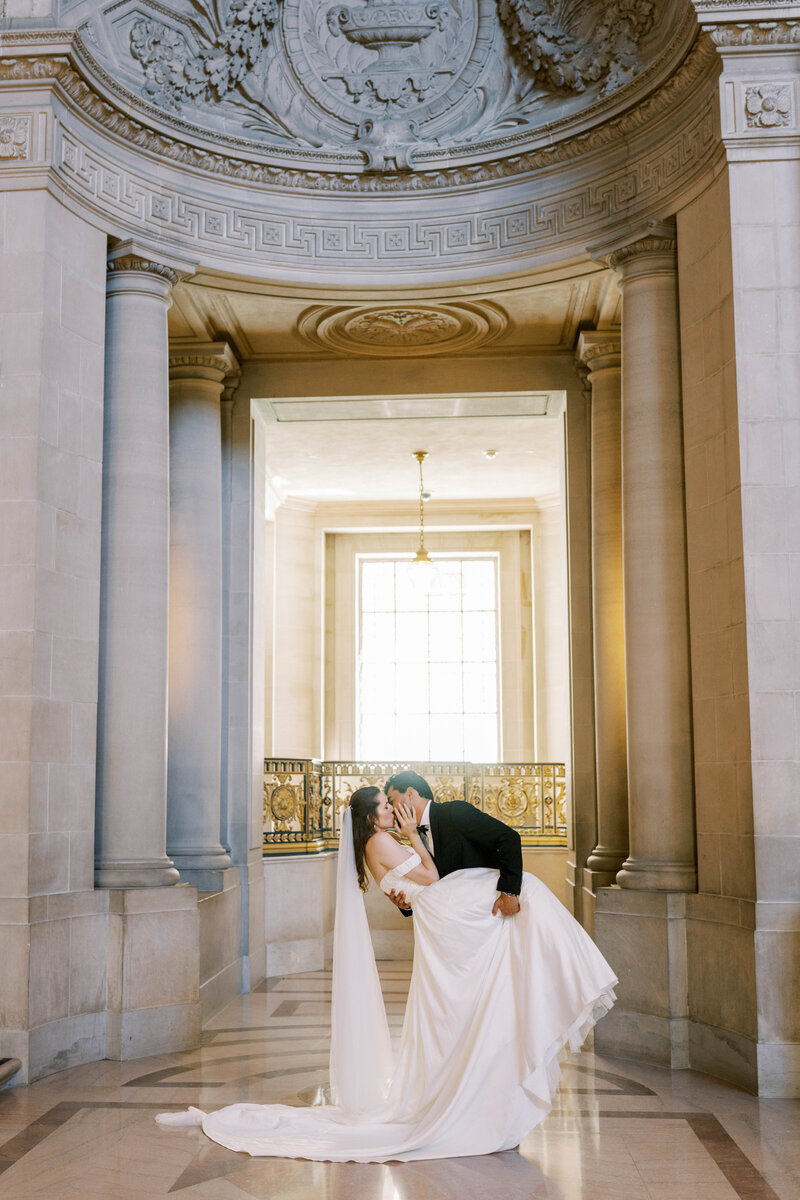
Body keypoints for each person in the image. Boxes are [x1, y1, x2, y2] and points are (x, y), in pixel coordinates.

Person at [155, 784, 618, 1163]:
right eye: (384, 806)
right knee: (490, 980)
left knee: (494, 981)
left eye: (393, 803)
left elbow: (419, 885)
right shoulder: (381, 842)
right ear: (370, 816)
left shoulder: (382, 841)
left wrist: (413, 844)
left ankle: (493, 1077)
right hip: (448, 917)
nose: (391, 810)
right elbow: (433, 881)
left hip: (448, 920)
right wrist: (414, 837)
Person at [383, 769, 523, 917]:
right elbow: (430, 884)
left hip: (491, 907)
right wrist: (406, 905)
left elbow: (508, 837)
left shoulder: (454, 812)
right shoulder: (414, 836)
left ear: (410, 793)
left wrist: (509, 892)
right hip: (459, 916)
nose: (391, 810)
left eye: (392, 801)